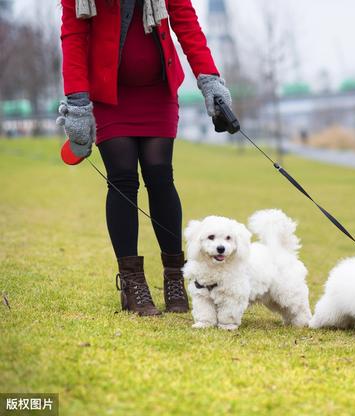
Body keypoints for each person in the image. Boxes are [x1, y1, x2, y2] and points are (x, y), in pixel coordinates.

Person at [57, 0, 232, 316]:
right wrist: (77, 101)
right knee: (122, 179)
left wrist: (209, 80)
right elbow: (73, 34)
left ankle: (175, 276)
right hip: (109, 94)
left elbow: (186, 22)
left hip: (157, 90)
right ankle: (132, 284)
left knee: (160, 175)